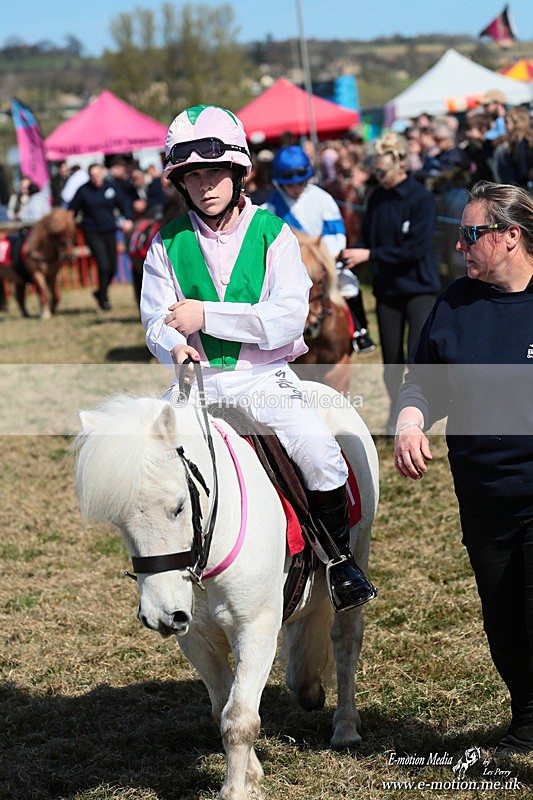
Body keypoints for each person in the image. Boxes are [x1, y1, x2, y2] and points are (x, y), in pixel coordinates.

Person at [140, 104, 377, 612]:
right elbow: (156, 318)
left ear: (238, 172)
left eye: (215, 172)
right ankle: (161, 576)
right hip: (195, 386)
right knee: (144, 461)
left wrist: (206, 316)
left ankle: (339, 564)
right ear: (180, 181)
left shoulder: (276, 235)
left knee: (319, 452)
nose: (206, 185)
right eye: (194, 175)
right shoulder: (164, 243)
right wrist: (173, 346)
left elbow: (287, 321)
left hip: (260, 378)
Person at [394, 181, 533, 754]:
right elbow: (424, 383)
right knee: (503, 619)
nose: (460, 246)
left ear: (510, 237)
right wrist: (407, 420)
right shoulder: (454, 303)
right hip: (481, 492)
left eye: (472, 235)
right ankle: (527, 722)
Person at [341, 133, 440, 434]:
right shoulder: (376, 198)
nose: (378, 177)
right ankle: (397, 413)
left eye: (382, 171)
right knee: (391, 363)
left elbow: (415, 249)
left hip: (419, 287)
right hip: (388, 290)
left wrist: (370, 254)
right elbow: (368, 238)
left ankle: (422, 417)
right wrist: (351, 252)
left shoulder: (421, 199)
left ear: (400, 164)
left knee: (418, 358)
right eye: (376, 171)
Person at [263, 144, 376, 353]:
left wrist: (326, 259)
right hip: (289, 269)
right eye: (291, 185)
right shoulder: (268, 209)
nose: (296, 188)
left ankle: (361, 332)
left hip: (323, 262)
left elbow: (336, 234)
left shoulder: (322, 199)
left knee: (349, 284)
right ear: (279, 183)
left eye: (300, 182)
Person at [69, 163, 133, 311]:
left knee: (112, 267)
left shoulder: (110, 187)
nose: (96, 178)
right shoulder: (83, 190)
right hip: (92, 232)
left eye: (98, 175)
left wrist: (128, 218)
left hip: (109, 230)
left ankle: (99, 292)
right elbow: (72, 209)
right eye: (93, 176)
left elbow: (122, 203)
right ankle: (104, 300)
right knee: (103, 265)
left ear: (102, 174)